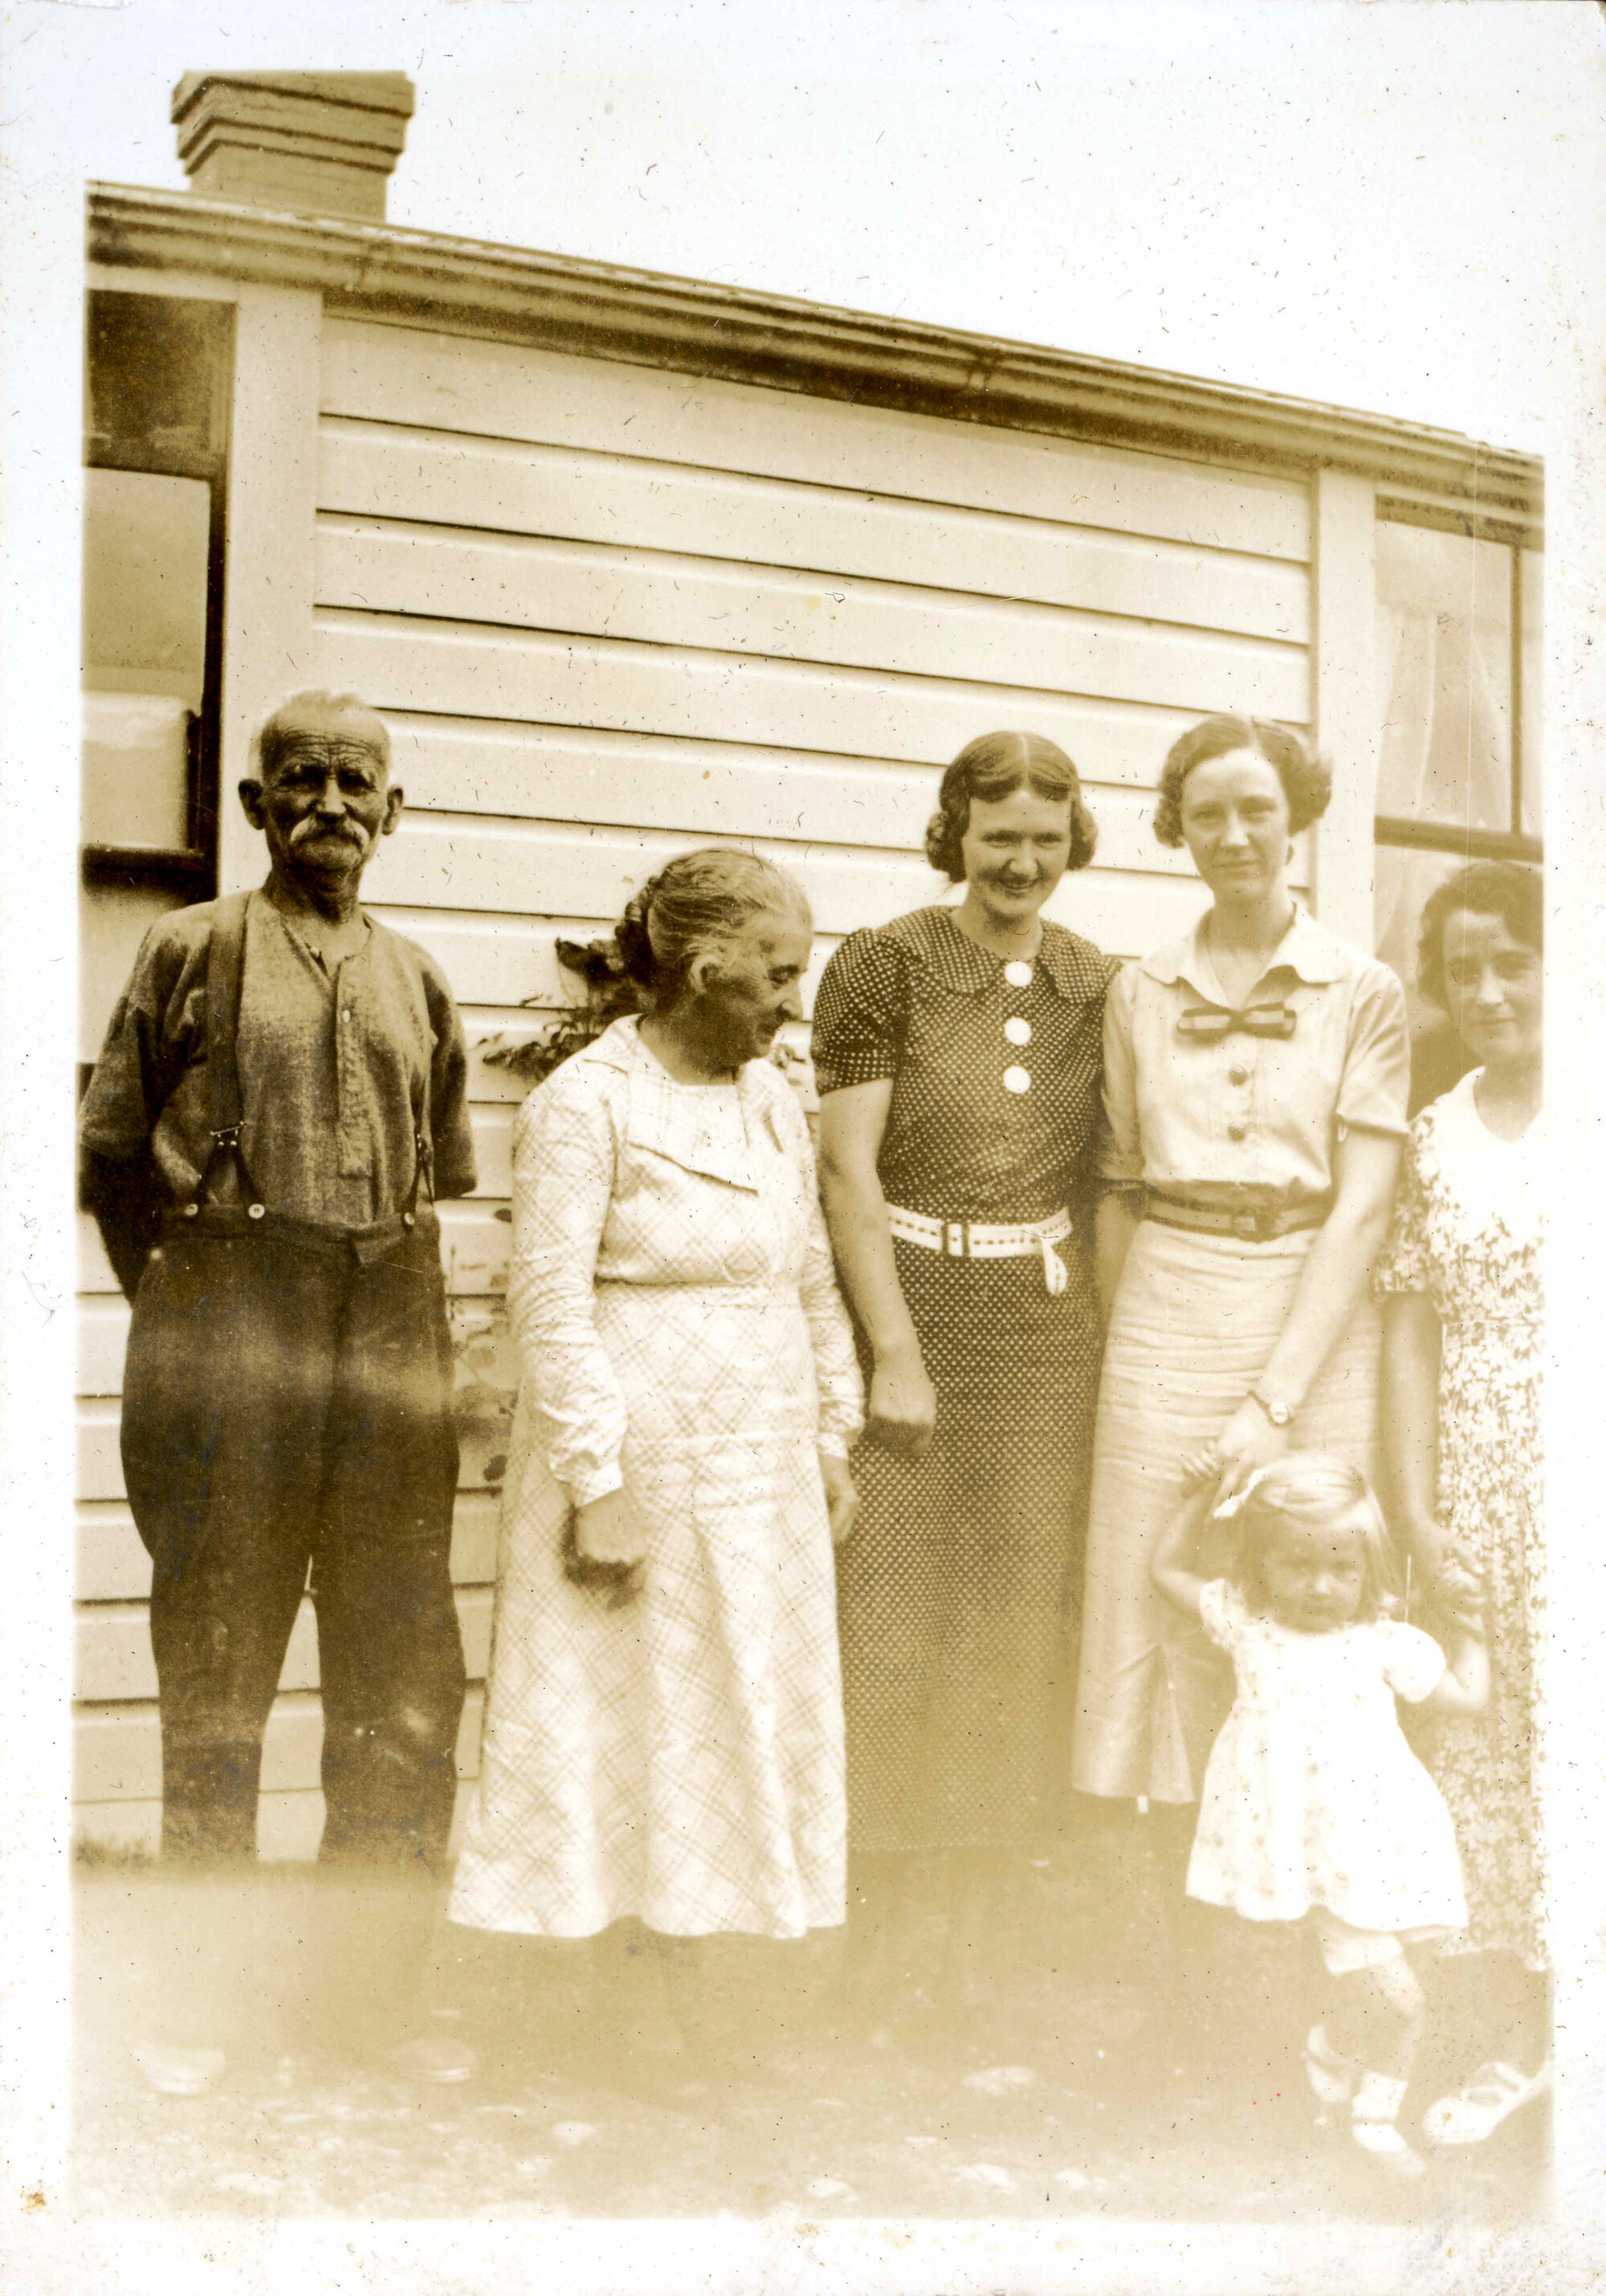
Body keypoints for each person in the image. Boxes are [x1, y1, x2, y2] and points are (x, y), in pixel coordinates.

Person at [78, 689, 478, 2095]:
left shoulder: (421, 978)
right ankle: (198, 2000)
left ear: (392, 812)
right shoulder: (188, 949)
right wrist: (197, 1312)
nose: (329, 805)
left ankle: (366, 2002)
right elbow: (113, 1165)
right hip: (232, 1320)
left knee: (400, 1667)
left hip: (388, 1318)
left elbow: (442, 1180)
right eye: (298, 781)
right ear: (254, 808)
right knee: (221, 1661)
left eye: (355, 783)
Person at [446, 851, 863, 2085]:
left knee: (731, 1713)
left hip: (761, 1463)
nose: (795, 999)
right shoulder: (586, 1102)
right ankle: (597, 2015)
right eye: (780, 973)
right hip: (637, 1465)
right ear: (705, 966)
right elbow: (550, 1303)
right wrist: (597, 1481)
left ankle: (715, 2003)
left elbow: (807, 1273)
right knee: (618, 1723)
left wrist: (832, 1432)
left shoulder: (770, 1096)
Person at [810, 731, 1115, 2028]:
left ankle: (974, 1936)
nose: (1023, 863)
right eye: (1000, 837)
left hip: (1041, 1334)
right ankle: (874, 1928)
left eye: (1046, 839)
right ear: (955, 834)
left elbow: (1111, 1176)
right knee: (888, 1609)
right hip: (913, 1302)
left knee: (1011, 1614)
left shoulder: (1098, 985)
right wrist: (891, 1351)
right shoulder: (883, 964)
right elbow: (843, 1173)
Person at [1072, 714, 1410, 1841]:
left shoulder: (1362, 991)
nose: (1232, 835)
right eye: (1207, 813)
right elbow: (1119, 1182)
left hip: (1314, 1306)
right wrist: (1138, 1343)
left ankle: (1323, 1866)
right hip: (1169, 1302)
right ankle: (1169, 1872)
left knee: (1311, 1569)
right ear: (1179, 827)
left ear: (1296, 818)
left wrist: (1272, 1400)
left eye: (1256, 809)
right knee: (1152, 1581)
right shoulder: (1139, 990)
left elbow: (1362, 1207)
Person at [1151, 1452, 1488, 2177]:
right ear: (1259, 1567)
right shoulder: (1246, 1623)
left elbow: (1466, 1696)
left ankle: (1332, 2045)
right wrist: (1200, 1494)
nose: (1321, 1586)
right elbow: (1167, 1571)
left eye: (1343, 1570)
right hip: (1316, 1850)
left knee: (1406, 1982)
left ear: (1370, 1571)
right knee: (1399, 2003)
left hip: (1391, 1842)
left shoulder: (1381, 1643)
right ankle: (1373, 2119)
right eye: (1298, 1567)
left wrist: (1476, 1630)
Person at [1376, 860, 1548, 2147]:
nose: (1487, 991)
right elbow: (1411, 1338)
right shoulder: (1437, 1132)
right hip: (1479, 1482)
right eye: (1463, 971)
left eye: (1514, 962)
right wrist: (1418, 1511)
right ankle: (1512, 2032)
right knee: (1488, 1753)